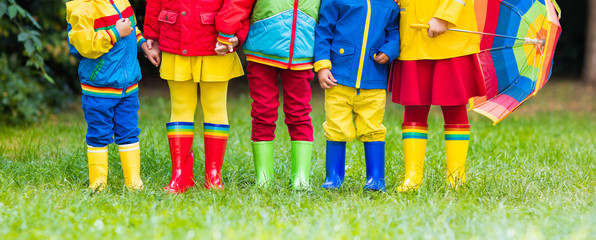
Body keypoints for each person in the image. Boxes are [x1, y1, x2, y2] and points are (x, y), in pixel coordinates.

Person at [144, 0, 255, 193]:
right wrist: (152, 35)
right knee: (180, 108)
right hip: (174, 39)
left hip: (216, 43)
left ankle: (213, 175)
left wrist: (230, 33)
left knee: (215, 107)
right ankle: (181, 175)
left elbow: (238, 3)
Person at [389, 0, 486, 191]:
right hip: (413, 35)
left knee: (454, 104)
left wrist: (444, 16)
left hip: (449, 39)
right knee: (414, 105)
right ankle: (413, 176)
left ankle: (456, 176)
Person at [66, 0, 160, 191]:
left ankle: (134, 182)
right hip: (99, 87)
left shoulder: (121, 1)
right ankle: (97, 184)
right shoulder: (82, 9)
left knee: (129, 132)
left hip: (128, 86)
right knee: (99, 134)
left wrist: (143, 45)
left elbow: (132, 29)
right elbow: (85, 46)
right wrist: (115, 33)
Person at [314, 0, 400, 191]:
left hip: (373, 81)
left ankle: (376, 179)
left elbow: (394, 34)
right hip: (338, 78)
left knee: (373, 128)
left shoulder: (390, 6)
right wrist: (322, 65)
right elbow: (323, 31)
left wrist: (389, 50)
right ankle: (334, 177)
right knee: (336, 126)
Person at [243, 0, 320, 190]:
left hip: (302, 51)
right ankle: (264, 177)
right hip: (261, 48)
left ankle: (301, 178)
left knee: (300, 113)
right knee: (263, 111)